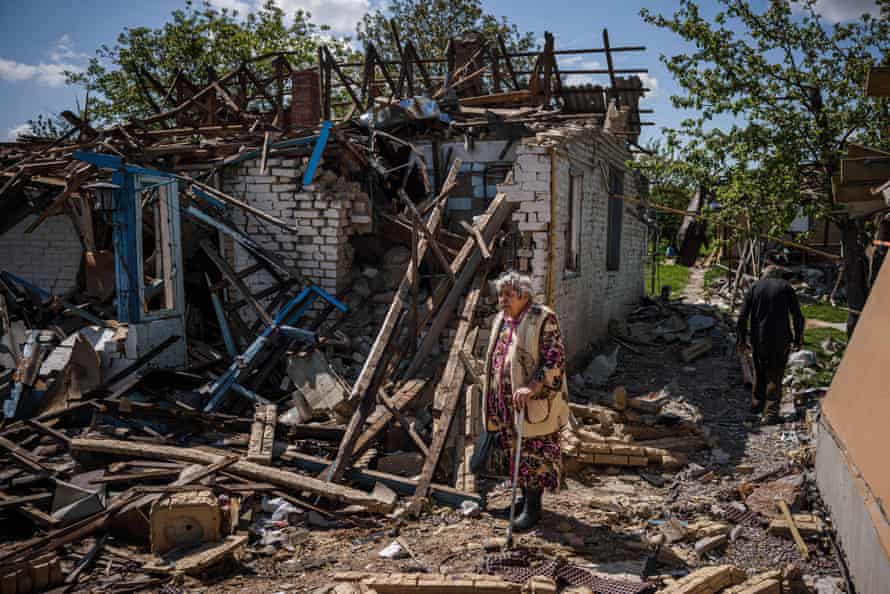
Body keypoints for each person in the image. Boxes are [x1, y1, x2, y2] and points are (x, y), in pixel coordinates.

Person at [481, 271, 570, 531]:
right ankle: (523, 500)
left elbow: (555, 359)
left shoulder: (543, 318)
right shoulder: (503, 319)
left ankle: (533, 509)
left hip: (533, 403)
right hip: (507, 404)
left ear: (524, 295)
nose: (502, 300)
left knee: (534, 454)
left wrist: (531, 386)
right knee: (516, 452)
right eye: (500, 295)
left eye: (508, 295)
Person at [737, 265, 805, 424]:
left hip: (758, 339)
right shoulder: (786, 287)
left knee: (759, 372)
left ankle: (756, 408)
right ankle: (771, 414)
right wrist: (798, 338)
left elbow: (742, 316)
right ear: (779, 275)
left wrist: (741, 339)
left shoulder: (755, 287)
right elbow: (797, 316)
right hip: (780, 339)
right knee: (775, 374)